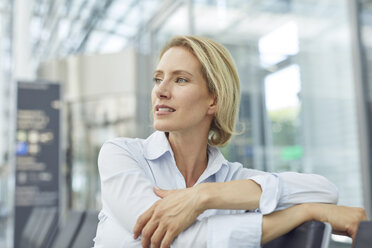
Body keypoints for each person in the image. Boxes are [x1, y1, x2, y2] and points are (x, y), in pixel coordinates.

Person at [93, 35, 367, 248]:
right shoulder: (121, 155)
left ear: (214, 100)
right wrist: (302, 213)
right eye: (158, 78)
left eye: (180, 79)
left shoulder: (230, 179)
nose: (161, 91)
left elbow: (324, 191)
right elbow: (174, 241)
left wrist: (202, 197)